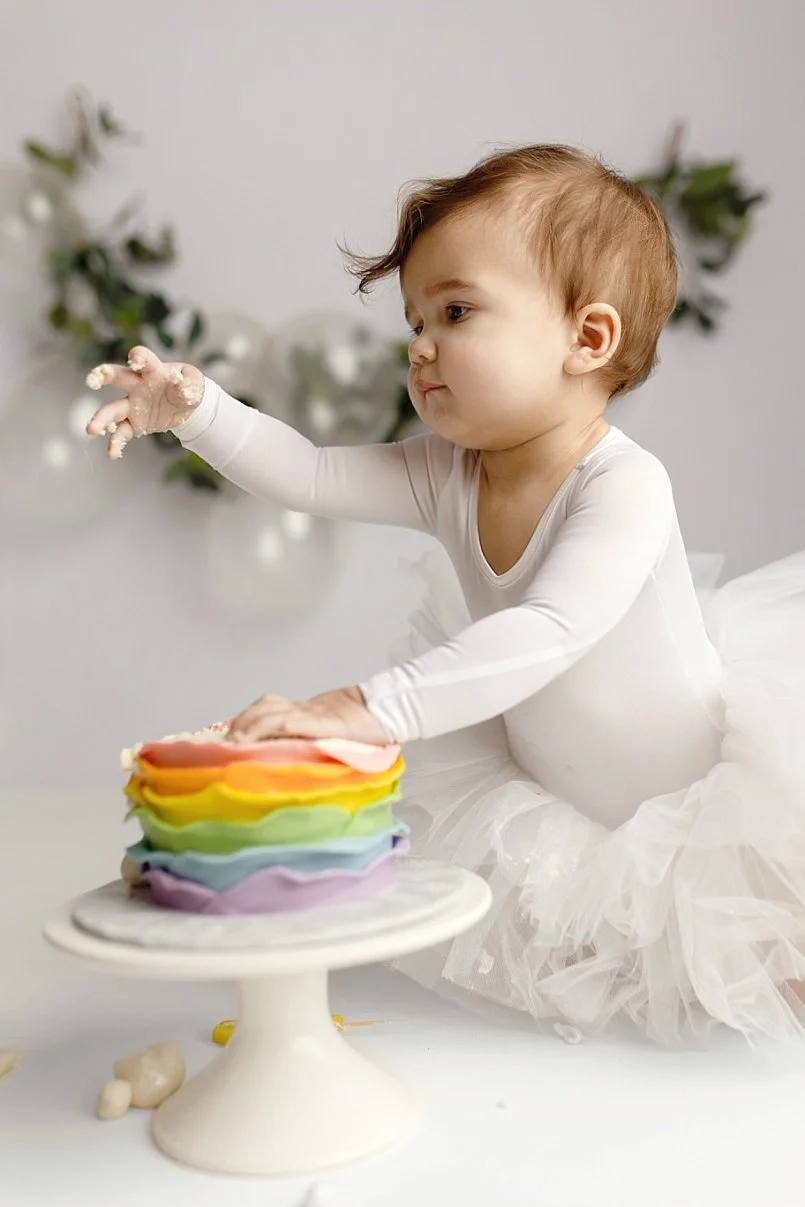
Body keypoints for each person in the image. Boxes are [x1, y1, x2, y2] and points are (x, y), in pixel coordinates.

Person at [86, 144, 805, 1046]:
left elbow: (550, 630)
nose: (420, 346)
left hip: (700, 796)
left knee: (766, 962)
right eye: (413, 321)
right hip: (569, 792)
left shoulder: (622, 485)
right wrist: (196, 411)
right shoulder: (445, 473)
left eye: (455, 311)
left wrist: (368, 706)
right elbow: (309, 473)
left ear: (587, 338)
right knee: (619, 975)